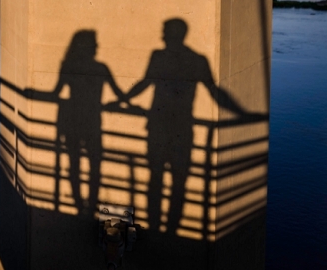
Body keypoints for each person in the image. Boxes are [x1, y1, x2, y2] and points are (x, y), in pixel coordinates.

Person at [121, 19, 245, 233]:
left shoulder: (166, 57)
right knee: (177, 180)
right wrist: (241, 113)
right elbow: (214, 92)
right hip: (178, 128)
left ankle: (159, 227)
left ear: (173, 34)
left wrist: (121, 100)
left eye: (165, 31)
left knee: (157, 178)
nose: (162, 35)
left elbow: (144, 83)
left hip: (160, 127)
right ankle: (170, 229)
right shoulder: (195, 60)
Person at [52, 30, 125, 216]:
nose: (96, 47)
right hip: (93, 122)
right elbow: (119, 94)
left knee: (74, 164)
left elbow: (56, 93)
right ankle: (91, 206)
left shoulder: (69, 66)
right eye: (94, 44)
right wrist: (116, 104)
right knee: (95, 166)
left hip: (72, 121)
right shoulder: (101, 68)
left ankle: (79, 206)